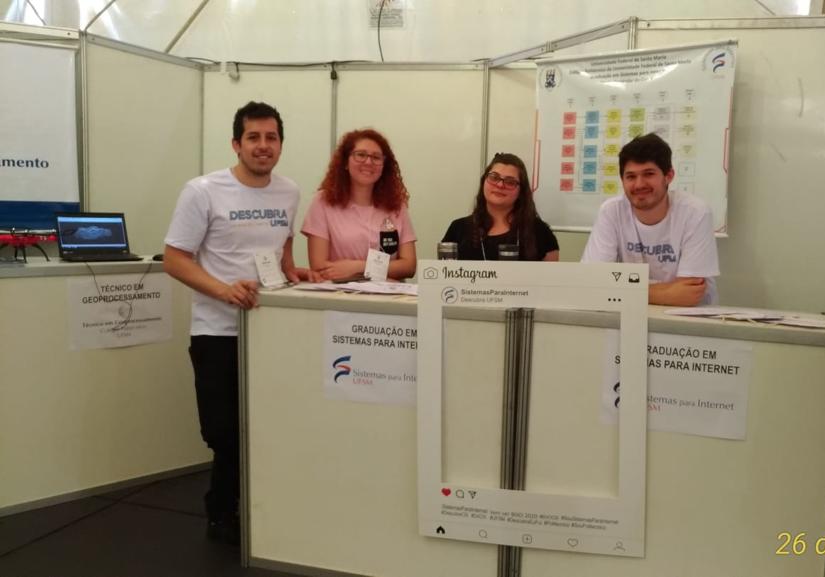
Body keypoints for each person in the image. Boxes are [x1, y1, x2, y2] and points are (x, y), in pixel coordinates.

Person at [163, 101, 317, 545]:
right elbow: (174, 260)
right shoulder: (202, 191)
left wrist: (297, 272)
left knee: (268, 425)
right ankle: (222, 510)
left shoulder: (288, 191)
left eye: (271, 138)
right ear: (237, 143)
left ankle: (260, 508)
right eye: (254, 137)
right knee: (223, 431)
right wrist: (223, 290)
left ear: (280, 145)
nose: (263, 146)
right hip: (218, 331)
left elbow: (283, 251)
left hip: (271, 332)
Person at [581, 133, 719, 306]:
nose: (639, 184)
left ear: (668, 176)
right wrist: (666, 293)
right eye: (631, 176)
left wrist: (617, 291)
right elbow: (592, 283)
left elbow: (688, 295)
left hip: (687, 324)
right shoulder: (611, 211)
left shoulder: (696, 213)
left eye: (648, 174)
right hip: (630, 317)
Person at [302, 129, 416, 280]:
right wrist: (383, 270)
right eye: (361, 155)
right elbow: (320, 267)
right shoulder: (323, 201)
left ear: (384, 166)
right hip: (341, 298)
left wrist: (357, 267)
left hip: (388, 299)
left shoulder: (396, 205)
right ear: (345, 163)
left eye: (376, 157)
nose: (368, 162)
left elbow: (409, 266)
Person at [441, 152, 559, 261]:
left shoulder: (540, 232)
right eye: (494, 177)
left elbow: (551, 281)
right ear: (484, 182)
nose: (500, 185)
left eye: (510, 182)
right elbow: (443, 278)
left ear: (521, 191)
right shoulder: (458, 229)